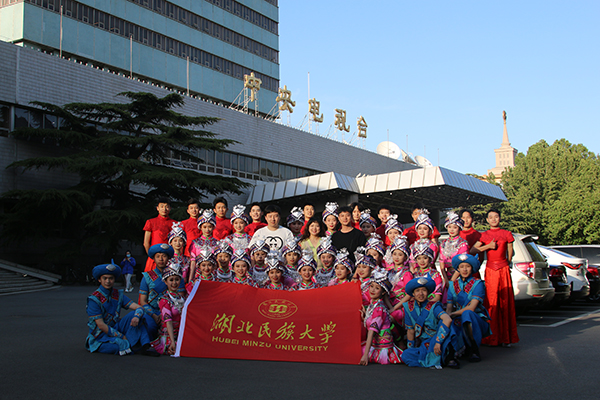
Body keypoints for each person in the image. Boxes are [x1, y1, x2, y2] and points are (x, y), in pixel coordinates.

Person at [86, 262, 157, 356]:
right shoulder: (94, 299)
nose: (108, 281)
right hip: (100, 335)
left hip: (116, 327)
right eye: (105, 278)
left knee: (135, 315)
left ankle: (145, 345)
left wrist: (136, 316)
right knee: (118, 346)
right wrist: (122, 336)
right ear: (99, 280)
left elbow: (138, 307)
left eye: (111, 278)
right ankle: (135, 345)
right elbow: (101, 325)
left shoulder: (117, 294)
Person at [473, 209, 519, 347]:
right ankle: (491, 337)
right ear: (487, 220)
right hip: (491, 269)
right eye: (491, 217)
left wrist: (507, 264)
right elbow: (473, 250)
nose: (493, 219)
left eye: (496, 216)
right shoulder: (484, 235)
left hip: (503, 269)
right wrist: (488, 246)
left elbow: (510, 252)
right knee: (492, 302)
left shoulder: (507, 234)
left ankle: (506, 337)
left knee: (505, 302)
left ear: (500, 218)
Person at [401, 277, 457, 369]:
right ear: (413, 294)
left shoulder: (434, 306)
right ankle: (430, 360)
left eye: (423, 290)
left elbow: (447, 319)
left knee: (447, 326)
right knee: (406, 355)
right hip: (424, 344)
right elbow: (410, 330)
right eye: (417, 291)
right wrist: (411, 348)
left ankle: (439, 358)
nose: (421, 293)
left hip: (437, 340)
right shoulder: (408, 307)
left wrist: (438, 342)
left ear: (428, 292)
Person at [447, 254, 491, 362]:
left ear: (472, 268)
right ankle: (452, 352)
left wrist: (452, 314)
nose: (464, 269)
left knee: (467, 314)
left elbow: (472, 307)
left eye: (468, 266)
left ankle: (473, 348)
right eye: (462, 267)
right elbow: (449, 308)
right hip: (457, 317)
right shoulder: (452, 285)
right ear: (458, 269)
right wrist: (447, 316)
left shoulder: (478, 284)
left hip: (475, 318)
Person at [360, 269, 403, 365]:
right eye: (371, 286)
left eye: (377, 288)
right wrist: (364, 317)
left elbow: (371, 331)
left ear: (383, 293)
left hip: (382, 349)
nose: (372, 290)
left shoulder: (379, 308)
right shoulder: (373, 304)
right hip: (375, 346)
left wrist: (365, 355)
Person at [139, 243, 183, 336]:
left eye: (164, 256)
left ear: (168, 258)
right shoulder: (147, 276)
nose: (161, 259)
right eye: (158, 256)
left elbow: (181, 297)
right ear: (154, 259)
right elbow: (143, 301)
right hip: (152, 311)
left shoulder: (176, 276)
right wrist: (154, 315)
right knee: (150, 327)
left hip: (172, 311)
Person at [152, 262, 187, 355]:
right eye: (171, 280)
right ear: (165, 282)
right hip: (169, 334)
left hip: (181, 333)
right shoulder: (164, 300)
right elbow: (168, 322)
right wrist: (172, 341)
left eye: (177, 279)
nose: (174, 283)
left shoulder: (182, 298)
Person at [143, 197, 176, 272]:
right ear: (157, 208)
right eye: (162, 206)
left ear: (170, 208)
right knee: (151, 277)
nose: (164, 209)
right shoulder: (150, 222)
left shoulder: (175, 224)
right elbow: (146, 243)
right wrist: (151, 256)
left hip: (169, 258)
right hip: (154, 257)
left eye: (167, 207)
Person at [438, 211, 469, 289]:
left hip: (460, 276)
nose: (452, 230)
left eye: (455, 227)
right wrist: (446, 279)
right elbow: (441, 263)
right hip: (447, 276)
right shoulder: (443, 243)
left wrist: (452, 280)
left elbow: (462, 263)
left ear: (459, 228)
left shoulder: (463, 243)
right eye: (449, 227)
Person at [188, 210, 218, 279]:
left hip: (213, 276)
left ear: (213, 227)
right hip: (198, 276)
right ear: (200, 227)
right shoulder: (195, 243)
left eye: (209, 227)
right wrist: (190, 279)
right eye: (204, 227)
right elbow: (193, 262)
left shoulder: (217, 243)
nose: (207, 229)